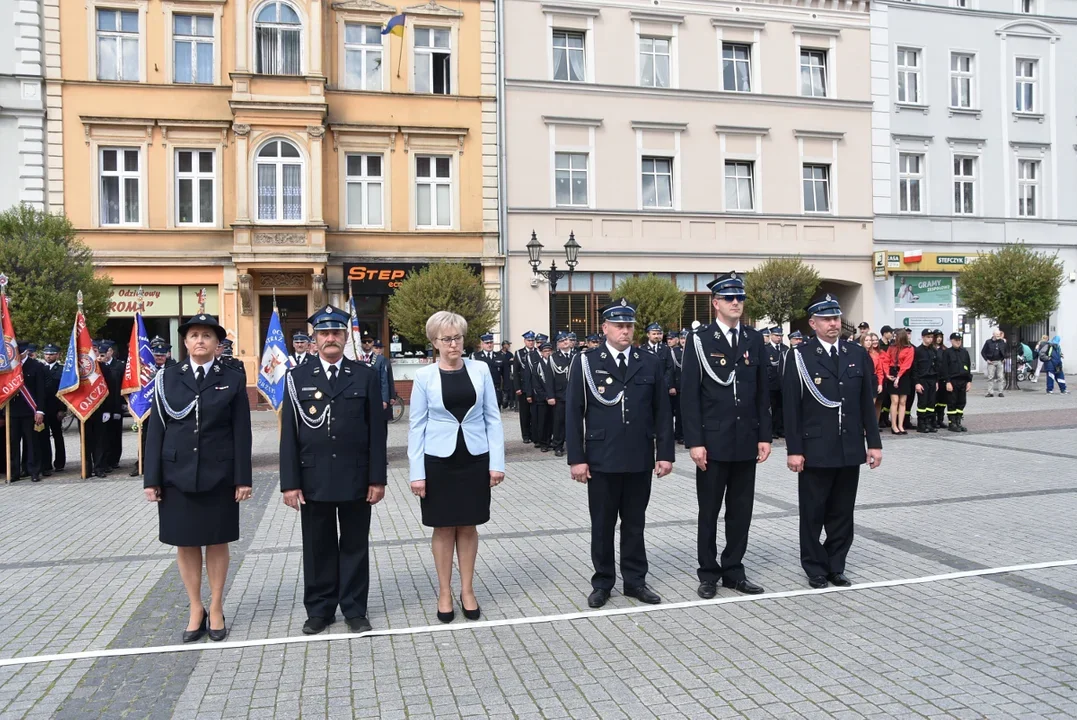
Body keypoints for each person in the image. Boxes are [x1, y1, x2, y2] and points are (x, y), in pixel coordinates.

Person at [143, 313, 253, 643]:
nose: (200, 341)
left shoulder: (231, 378)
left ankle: (216, 606)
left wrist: (242, 478)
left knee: (217, 540)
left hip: (218, 473)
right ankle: (195, 607)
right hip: (176, 474)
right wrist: (152, 478)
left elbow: (241, 431)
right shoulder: (168, 377)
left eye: (207, 335)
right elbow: (157, 429)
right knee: (186, 542)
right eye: (194, 335)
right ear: (186, 342)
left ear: (217, 343)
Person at [280, 305, 387, 635]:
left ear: (345, 337)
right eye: (324, 333)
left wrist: (377, 478)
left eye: (336, 333)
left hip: (356, 476)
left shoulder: (364, 375)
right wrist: (289, 484)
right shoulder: (297, 378)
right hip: (313, 477)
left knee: (355, 545)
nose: (331, 338)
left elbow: (376, 432)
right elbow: (289, 436)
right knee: (317, 547)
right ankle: (320, 609)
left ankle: (354, 608)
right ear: (315, 338)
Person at [566, 298, 674, 608]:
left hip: (639, 455)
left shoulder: (648, 361)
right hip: (601, 456)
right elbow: (574, 413)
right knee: (602, 524)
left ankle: (635, 581)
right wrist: (577, 458)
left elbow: (662, 412)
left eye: (629, 325)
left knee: (635, 522)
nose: (625, 331)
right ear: (605, 328)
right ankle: (603, 582)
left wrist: (664, 453)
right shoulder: (586, 361)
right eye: (618, 325)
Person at [408, 311, 505, 623]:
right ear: (434, 342)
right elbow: (416, 426)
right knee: (443, 526)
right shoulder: (424, 377)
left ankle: (467, 590)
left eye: (458, 338)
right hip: (438, 461)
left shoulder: (481, 370)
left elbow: (493, 417)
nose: (454, 344)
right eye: (447, 339)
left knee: (468, 524)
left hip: (475, 458)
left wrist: (497, 463)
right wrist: (417, 473)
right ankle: (444, 591)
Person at [681, 273, 771, 598]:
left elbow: (761, 391)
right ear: (715, 303)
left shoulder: (753, 339)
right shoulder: (700, 340)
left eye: (740, 298)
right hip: (712, 441)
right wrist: (695, 442)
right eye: (729, 298)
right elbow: (689, 396)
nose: (736, 303)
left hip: (746, 439)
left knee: (741, 509)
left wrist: (765, 434)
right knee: (709, 510)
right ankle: (708, 573)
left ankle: (734, 570)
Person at [782, 294, 882, 589]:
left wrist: (874, 443)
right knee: (813, 511)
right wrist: (795, 450)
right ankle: (814, 567)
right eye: (826, 319)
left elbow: (867, 402)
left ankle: (836, 564)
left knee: (842, 511)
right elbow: (791, 407)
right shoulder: (800, 356)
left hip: (849, 446)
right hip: (815, 448)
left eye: (836, 318)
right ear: (813, 323)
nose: (834, 324)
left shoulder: (856, 354)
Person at [7, 343, 46, 482]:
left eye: (21, 352)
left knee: (32, 443)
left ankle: (33, 471)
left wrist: (40, 410)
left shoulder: (36, 366)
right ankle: (14, 471)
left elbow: (41, 391)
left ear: (25, 352)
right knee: (12, 443)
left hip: (30, 411)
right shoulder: (9, 367)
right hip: (12, 411)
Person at [38, 343, 66, 475]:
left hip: (56, 408)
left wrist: (62, 409)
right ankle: (46, 464)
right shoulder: (41, 369)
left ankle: (60, 462)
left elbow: (64, 391)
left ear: (58, 355)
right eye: (46, 354)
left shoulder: (62, 370)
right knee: (43, 437)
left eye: (51, 354)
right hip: (43, 408)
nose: (48, 356)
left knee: (57, 436)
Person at [884, 329, 914, 434]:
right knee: (895, 401)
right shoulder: (892, 347)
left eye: (896, 336)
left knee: (902, 401)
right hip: (893, 372)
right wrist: (887, 374)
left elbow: (907, 364)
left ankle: (901, 425)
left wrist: (899, 377)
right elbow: (886, 360)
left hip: (904, 374)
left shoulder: (909, 348)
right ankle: (894, 425)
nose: (894, 338)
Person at [941, 332, 972, 432]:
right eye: (956, 340)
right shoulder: (947, 352)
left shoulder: (964, 352)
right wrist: (948, 382)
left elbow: (968, 367)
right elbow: (944, 368)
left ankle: (958, 421)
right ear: (951, 341)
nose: (958, 342)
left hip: (963, 380)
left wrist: (969, 381)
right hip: (952, 381)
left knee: (961, 402)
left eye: (959, 340)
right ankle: (952, 423)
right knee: (952, 402)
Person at [548, 332, 572, 457]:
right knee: (559, 422)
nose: (565, 342)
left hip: (574, 395)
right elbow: (549, 378)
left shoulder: (576, 355)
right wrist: (550, 396)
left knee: (574, 422)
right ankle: (558, 446)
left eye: (566, 339)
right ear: (558, 344)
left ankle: (574, 446)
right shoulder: (553, 358)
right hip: (560, 395)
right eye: (562, 340)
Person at [912, 329, 940, 433]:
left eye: (931, 337)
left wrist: (937, 381)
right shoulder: (918, 351)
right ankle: (921, 424)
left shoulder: (933, 350)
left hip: (932, 379)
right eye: (928, 337)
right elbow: (914, 368)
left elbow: (936, 366)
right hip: (922, 380)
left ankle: (929, 422)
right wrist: (917, 383)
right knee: (922, 403)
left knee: (931, 403)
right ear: (923, 337)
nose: (930, 339)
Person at [513, 332, 537, 442]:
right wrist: (517, 387)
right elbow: (516, 372)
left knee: (535, 413)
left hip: (535, 387)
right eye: (529, 340)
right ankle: (526, 435)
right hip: (523, 388)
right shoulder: (519, 353)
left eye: (532, 340)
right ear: (525, 341)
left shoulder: (537, 352)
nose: (531, 342)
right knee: (524, 413)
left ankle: (534, 434)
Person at [531, 341, 555, 451]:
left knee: (551, 421)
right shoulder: (537, 365)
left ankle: (549, 440)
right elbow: (536, 384)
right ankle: (543, 443)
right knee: (542, 421)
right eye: (545, 351)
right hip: (542, 399)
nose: (548, 353)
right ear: (541, 353)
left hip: (553, 398)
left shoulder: (555, 363)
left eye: (549, 351)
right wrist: (546, 396)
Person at [765, 327, 785, 439]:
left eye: (780, 336)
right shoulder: (766, 349)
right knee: (771, 408)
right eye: (777, 335)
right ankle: (771, 430)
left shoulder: (784, 349)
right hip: (771, 383)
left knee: (781, 408)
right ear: (771, 335)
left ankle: (780, 429)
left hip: (781, 383)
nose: (779, 338)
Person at [642, 322, 674, 392]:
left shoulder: (666, 349)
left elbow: (669, 368)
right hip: (646, 387)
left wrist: (664, 382)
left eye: (658, 334)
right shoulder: (642, 349)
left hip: (663, 386)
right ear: (648, 335)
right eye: (654, 334)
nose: (656, 336)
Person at [667, 328, 684, 445]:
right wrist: (671, 385)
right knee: (674, 412)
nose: (683, 340)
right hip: (676, 387)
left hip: (685, 387)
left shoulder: (689, 351)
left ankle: (681, 434)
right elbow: (670, 370)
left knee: (682, 413)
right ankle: (677, 434)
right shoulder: (673, 352)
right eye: (682, 338)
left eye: (684, 338)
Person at [980, 328, 1006, 398]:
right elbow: (983, 352)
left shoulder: (1002, 342)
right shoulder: (988, 342)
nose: (998, 336)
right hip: (991, 362)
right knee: (990, 377)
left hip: (999, 361)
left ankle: (1000, 392)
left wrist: (1004, 358)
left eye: (999, 335)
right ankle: (990, 392)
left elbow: (1005, 350)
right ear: (993, 335)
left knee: (1000, 377)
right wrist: (987, 359)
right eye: (996, 335)